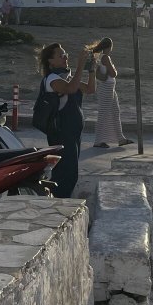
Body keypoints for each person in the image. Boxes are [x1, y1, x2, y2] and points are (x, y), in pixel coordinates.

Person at [39, 42, 96, 197]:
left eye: (66, 54)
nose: (65, 57)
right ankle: (57, 204)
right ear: (50, 61)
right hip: (61, 132)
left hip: (72, 133)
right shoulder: (51, 79)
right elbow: (70, 89)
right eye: (61, 55)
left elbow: (90, 89)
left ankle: (58, 202)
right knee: (66, 174)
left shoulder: (67, 77)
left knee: (70, 173)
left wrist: (91, 69)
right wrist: (80, 65)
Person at [91, 38, 132, 149]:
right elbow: (113, 74)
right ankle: (98, 141)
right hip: (107, 88)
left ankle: (120, 139)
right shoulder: (105, 57)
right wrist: (114, 70)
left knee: (115, 111)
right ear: (109, 46)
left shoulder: (99, 57)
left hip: (108, 88)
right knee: (104, 114)